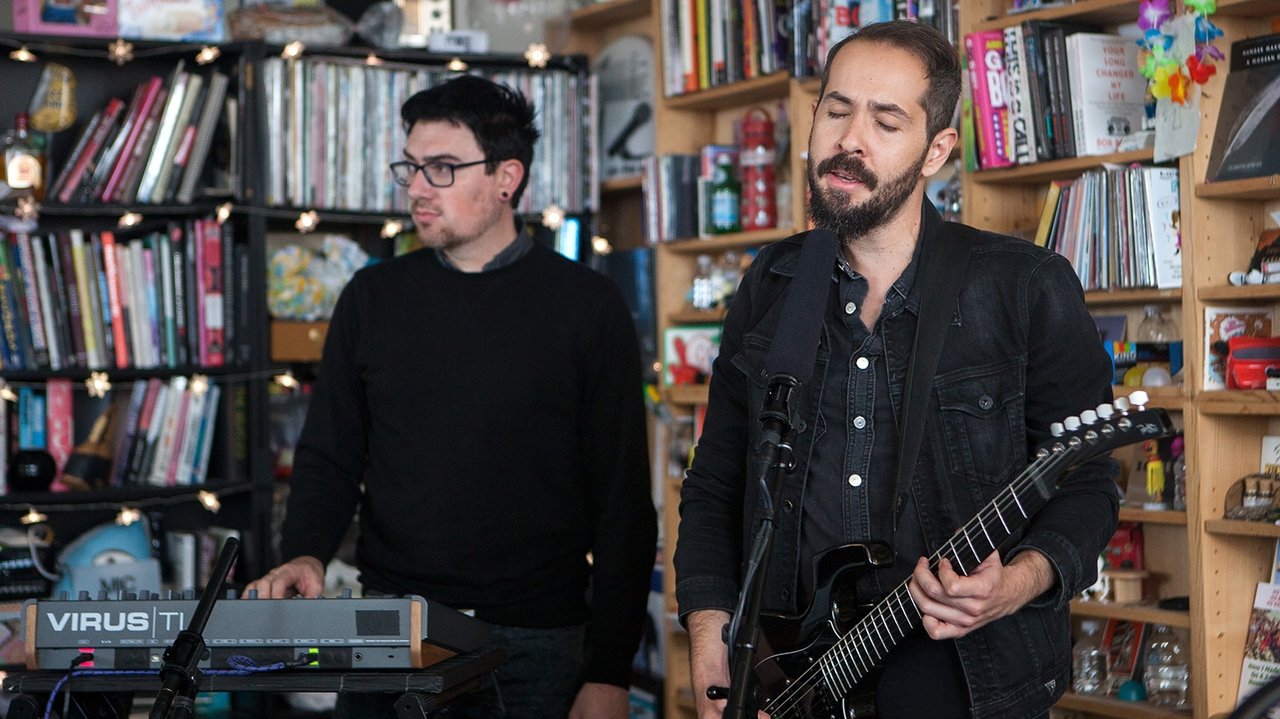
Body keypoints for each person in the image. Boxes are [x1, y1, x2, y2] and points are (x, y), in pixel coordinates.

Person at [674, 21, 1120, 719]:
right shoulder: (774, 281)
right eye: (836, 110)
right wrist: (711, 646)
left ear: (937, 148)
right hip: (790, 677)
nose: (850, 140)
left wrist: (1018, 580)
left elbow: (1090, 481)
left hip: (973, 688)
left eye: (885, 121)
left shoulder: (1025, 284)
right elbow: (715, 484)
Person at [247, 74, 658, 719]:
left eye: (441, 168)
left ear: (506, 177)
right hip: (390, 631)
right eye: (410, 167)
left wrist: (609, 672)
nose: (415, 188)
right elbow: (329, 454)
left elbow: (623, 503)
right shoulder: (371, 298)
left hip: (536, 644)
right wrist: (305, 551)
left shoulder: (587, 306)